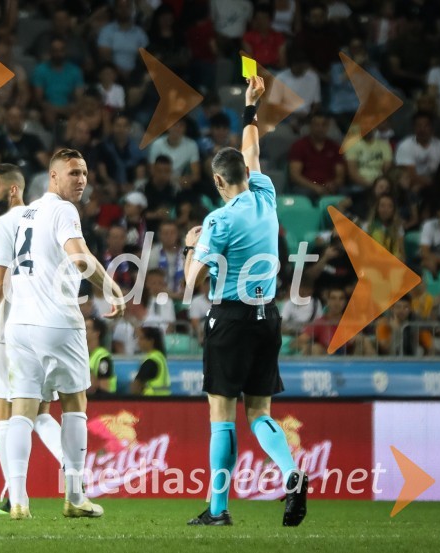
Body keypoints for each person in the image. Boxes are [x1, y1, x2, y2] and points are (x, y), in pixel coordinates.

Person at [183, 77, 307, 527]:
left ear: (218, 181)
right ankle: (290, 472)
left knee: (222, 415)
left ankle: (218, 509)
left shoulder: (219, 220)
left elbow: (191, 282)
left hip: (230, 320)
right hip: (267, 318)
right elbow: (251, 155)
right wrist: (250, 110)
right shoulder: (265, 195)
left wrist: (190, 247)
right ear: (246, 177)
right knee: (260, 413)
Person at [2, 148, 125, 520]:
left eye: (84, 172)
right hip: (56, 320)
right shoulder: (63, 210)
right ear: (53, 176)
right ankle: (74, 496)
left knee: (23, 410)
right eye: (73, 173)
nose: (81, 179)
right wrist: (111, 287)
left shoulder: (26, 213)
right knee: (74, 404)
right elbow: (79, 257)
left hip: (19, 324)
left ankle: (19, 501)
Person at [0, 164, 64, 515]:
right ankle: (73, 467)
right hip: (46, 325)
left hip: (9, 328)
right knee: (40, 411)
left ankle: (14, 498)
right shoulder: (45, 218)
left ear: (12, 189)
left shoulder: (0, 226)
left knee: (6, 414)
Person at [129, 325, 170, 396]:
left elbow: (136, 387)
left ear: (151, 341)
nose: (138, 342)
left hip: (150, 400)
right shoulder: (160, 357)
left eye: (141, 338)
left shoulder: (151, 361)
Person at [86, 316, 116, 396]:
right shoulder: (85, 355)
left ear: (96, 333)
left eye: (86, 328)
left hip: (103, 401)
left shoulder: (103, 358)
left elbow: (104, 388)